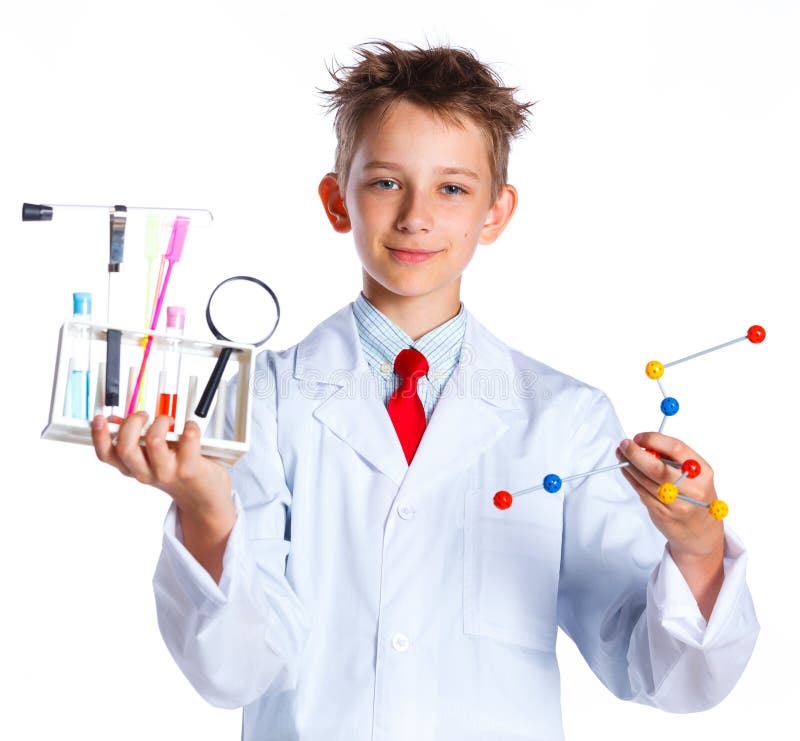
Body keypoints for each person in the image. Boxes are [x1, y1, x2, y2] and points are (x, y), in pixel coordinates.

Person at [91, 40, 759, 741]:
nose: (415, 216)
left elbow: (659, 670)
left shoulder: (566, 420)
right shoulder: (264, 402)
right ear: (335, 199)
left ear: (496, 212)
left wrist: (696, 545)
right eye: (385, 182)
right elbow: (235, 668)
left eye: (452, 188)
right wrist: (205, 511)